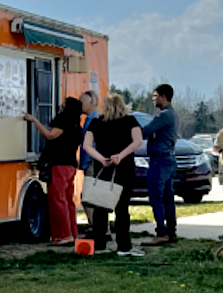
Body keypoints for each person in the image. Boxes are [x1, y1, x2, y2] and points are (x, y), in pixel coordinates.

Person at [83, 93, 144, 255]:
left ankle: (99, 244)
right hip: (123, 168)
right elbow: (138, 141)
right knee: (122, 208)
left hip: (102, 169)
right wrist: (120, 155)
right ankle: (124, 246)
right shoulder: (130, 121)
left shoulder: (96, 122)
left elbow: (87, 145)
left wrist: (102, 159)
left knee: (100, 207)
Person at [24, 97, 83, 245]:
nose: (60, 107)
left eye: (63, 105)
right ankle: (71, 233)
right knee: (68, 200)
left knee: (57, 199)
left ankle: (64, 235)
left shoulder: (63, 121)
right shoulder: (77, 125)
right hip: (71, 166)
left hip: (60, 165)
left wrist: (34, 120)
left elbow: (50, 135)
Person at [140, 84, 179, 246]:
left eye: (155, 96)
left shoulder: (163, 115)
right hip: (169, 159)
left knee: (156, 197)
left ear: (163, 96)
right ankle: (171, 231)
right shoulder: (173, 115)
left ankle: (161, 232)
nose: (153, 99)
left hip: (159, 160)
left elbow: (145, 131)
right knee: (168, 197)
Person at [79, 90, 100, 229]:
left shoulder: (94, 120)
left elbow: (92, 144)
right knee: (92, 197)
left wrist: (88, 162)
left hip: (92, 163)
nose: (80, 105)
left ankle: (95, 226)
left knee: (88, 197)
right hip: (90, 163)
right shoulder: (89, 119)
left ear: (91, 102)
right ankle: (98, 226)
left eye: (82, 102)